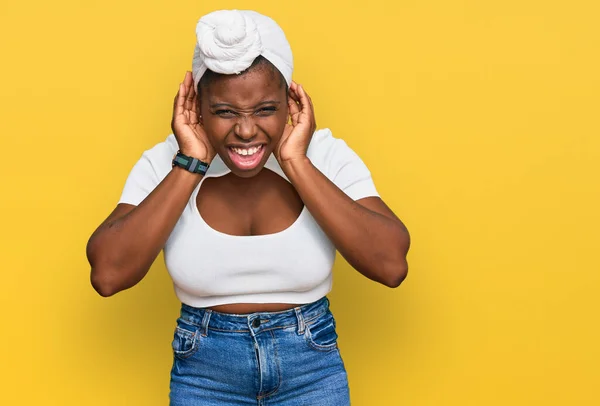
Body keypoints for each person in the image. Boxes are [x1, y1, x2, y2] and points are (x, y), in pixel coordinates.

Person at [86, 9, 410, 405]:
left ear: (290, 101)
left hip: (312, 370)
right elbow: (108, 274)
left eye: (265, 109)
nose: (245, 130)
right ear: (196, 106)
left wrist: (297, 162)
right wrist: (191, 163)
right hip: (205, 377)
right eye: (224, 112)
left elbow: (391, 265)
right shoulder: (166, 161)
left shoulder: (323, 154)